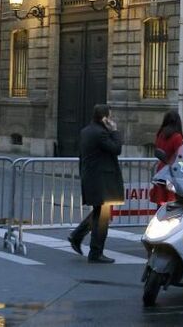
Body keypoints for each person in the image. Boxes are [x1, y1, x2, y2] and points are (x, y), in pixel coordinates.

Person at [68, 104, 124, 264]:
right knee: (102, 218)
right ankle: (95, 252)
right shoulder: (101, 133)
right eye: (110, 116)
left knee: (99, 213)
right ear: (105, 118)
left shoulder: (86, 131)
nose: (112, 119)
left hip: (93, 177)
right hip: (102, 180)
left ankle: (77, 236)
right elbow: (116, 149)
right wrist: (114, 131)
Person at [150, 110, 183, 206]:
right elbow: (181, 156)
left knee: (160, 201)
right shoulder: (177, 137)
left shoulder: (161, 134)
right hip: (173, 171)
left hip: (161, 170)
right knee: (171, 201)